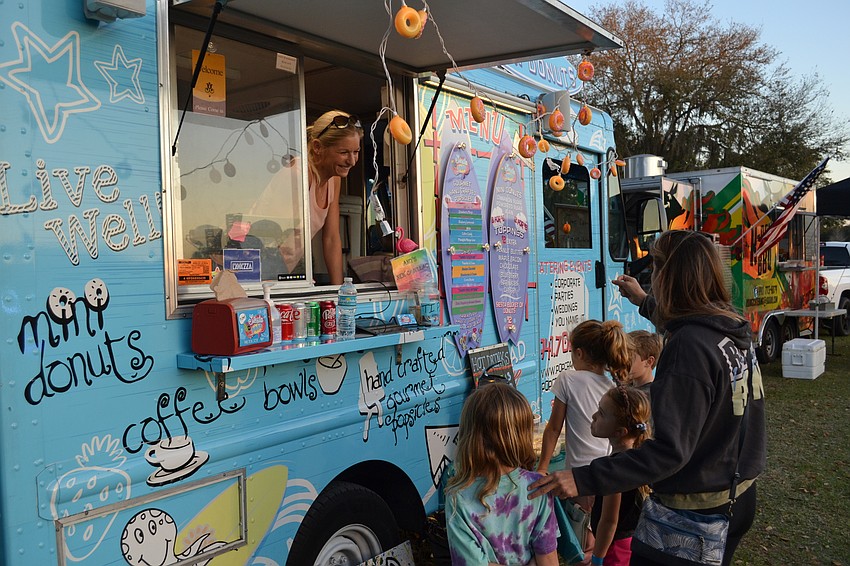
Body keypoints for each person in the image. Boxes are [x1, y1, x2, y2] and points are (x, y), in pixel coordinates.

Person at [529, 230, 766, 566]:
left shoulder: (689, 348)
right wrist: (643, 301)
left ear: (670, 276)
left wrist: (583, 477)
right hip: (738, 496)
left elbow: (670, 450)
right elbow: (690, 322)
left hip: (697, 511)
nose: (652, 277)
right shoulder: (730, 328)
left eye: (656, 268)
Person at [445, 383, 560, 566]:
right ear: (521, 435)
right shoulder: (538, 487)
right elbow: (548, 559)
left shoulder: (457, 497)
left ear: (469, 435)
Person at [588, 386, 651, 566]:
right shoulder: (639, 457)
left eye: (601, 413)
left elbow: (609, 521)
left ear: (620, 431)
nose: (594, 416)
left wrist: (597, 557)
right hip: (632, 542)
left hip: (614, 548)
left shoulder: (615, 468)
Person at [306, 110, 363, 285]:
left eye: (356, 152)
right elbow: (274, 238)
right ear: (317, 147)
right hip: (267, 270)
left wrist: (339, 291)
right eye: (344, 152)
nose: (352, 161)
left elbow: (331, 237)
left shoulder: (334, 180)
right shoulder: (300, 174)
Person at [624, 330, 663, 397]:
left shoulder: (651, 396)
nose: (624, 362)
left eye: (630, 358)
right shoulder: (624, 387)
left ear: (649, 361)